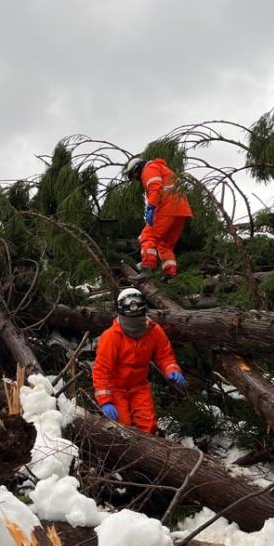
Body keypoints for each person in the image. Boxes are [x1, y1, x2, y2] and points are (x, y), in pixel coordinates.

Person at [92, 287, 186, 433]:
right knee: (123, 428)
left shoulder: (154, 331)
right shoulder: (110, 337)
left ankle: (148, 454)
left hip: (139, 387)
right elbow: (101, 371)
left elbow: (165, 356)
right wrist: (105, 401)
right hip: (116, 389)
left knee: (148, 425)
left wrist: (171, 369)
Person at [124, 156, 193, 280]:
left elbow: (155, 187)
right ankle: (170, 274)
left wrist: (151, 207)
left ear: (137, 170)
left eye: (134, 176)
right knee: (165, 244)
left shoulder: (149, 169)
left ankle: (147, 268)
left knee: (148, 236)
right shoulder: (161, 168)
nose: (136, 179)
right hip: (181, 210)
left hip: (167, 208)